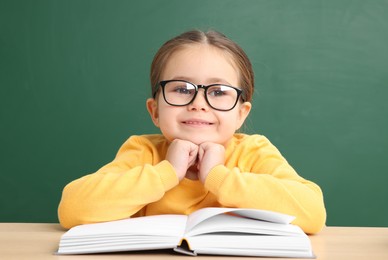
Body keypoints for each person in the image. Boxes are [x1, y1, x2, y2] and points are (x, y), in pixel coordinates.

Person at [58, 29, 326, 234]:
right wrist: (167, 173)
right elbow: (72, 208)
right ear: (155, 111)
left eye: (219, 92)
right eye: (182, 89)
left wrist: (217, 177)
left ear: (240, 114)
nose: (198, 104)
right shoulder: (144, 152)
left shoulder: (254, 153)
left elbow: (312, 212)